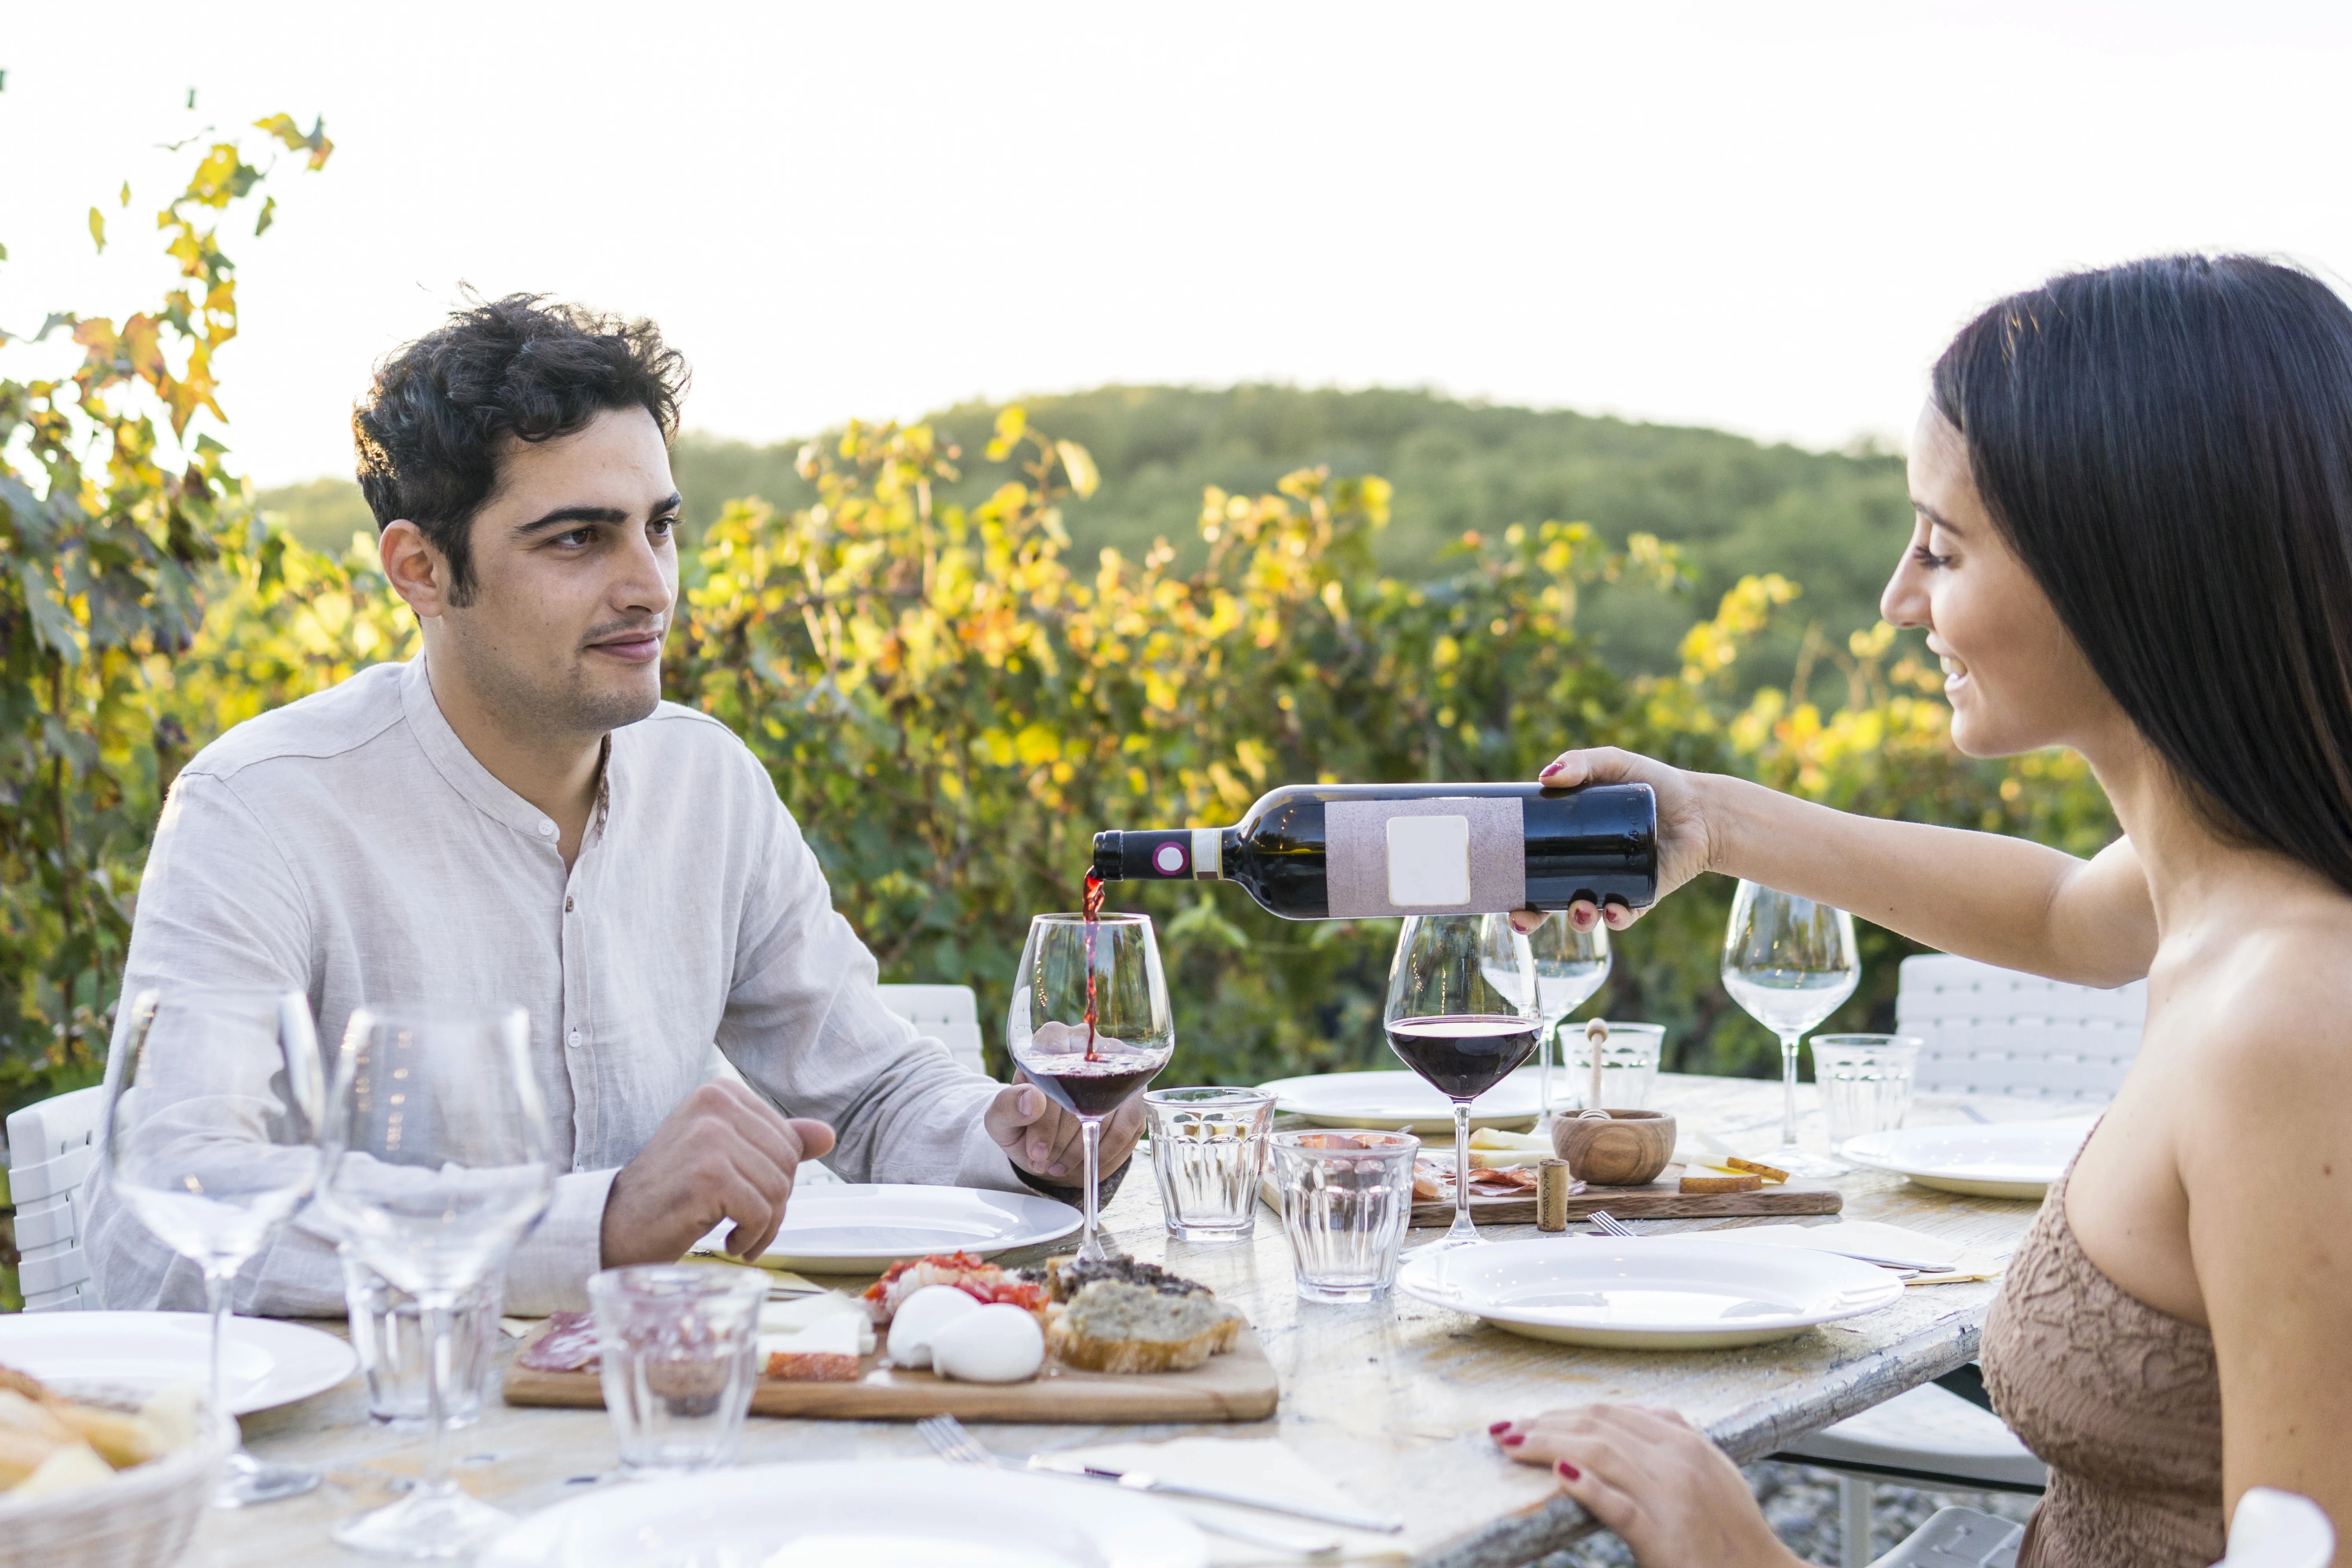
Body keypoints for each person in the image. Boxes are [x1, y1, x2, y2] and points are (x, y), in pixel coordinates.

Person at [1490, 255, 2352, 1566]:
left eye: (1942, 548)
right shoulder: (2235, 887)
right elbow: (2062, 913)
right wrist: (1713, 824)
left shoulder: (2291, 1019)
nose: (1900, 598)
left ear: (2125, 563)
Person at [83, 295, 1138, 1317]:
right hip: (379, 1466)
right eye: (578, 539)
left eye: (659, 527)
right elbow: (168, 1209)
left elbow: (865, 1093)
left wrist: (1012, 1136)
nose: (650, 586)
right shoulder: (259, 812)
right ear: (421, 570)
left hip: (667, 1422)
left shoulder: (709, 785)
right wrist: (598, 1224)